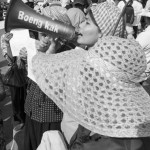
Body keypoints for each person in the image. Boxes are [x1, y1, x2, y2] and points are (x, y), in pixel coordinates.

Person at [32, 2, 150, 150]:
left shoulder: (105, 70)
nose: (79, 26)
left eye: (87, 22)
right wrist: (47, 52)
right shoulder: (83, 56)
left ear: (102, 32)